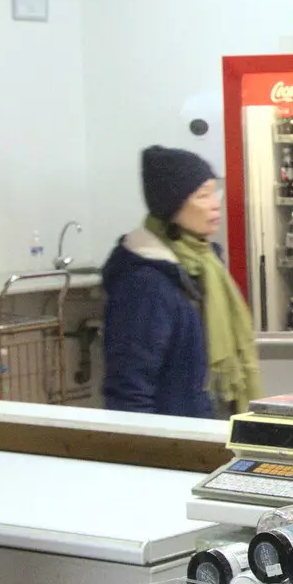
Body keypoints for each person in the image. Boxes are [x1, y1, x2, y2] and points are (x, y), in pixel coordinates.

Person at [102, 146, 261, 418]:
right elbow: (130, 387)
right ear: (172, 206)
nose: (215, 204)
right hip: (175, 441)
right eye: (202, 196)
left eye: (214, 193)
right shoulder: (145, 284)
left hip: (212, 428)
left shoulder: (207, 267)